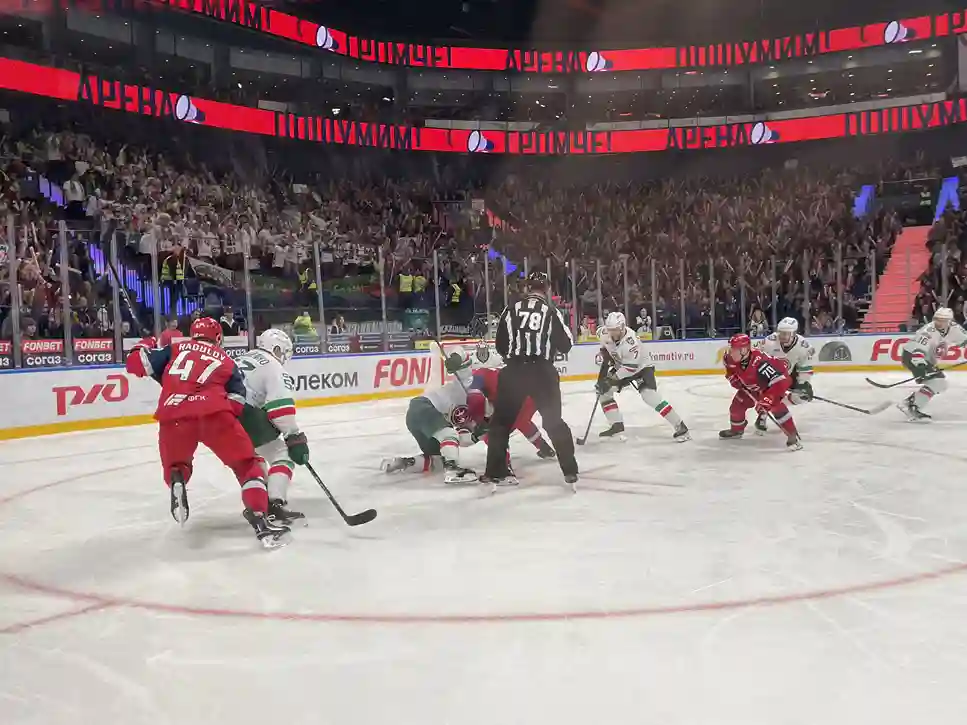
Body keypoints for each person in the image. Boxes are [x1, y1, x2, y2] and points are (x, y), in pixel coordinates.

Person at [124, 317, 290, 548]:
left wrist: (147, 342)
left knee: (177, 464)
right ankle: (260, 519)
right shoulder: (226, 359)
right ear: (218, 338)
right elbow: (237, 400)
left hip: (174, 415)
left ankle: (177, 478)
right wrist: (221, 417)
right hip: (215, 414)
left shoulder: (174, 349)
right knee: (247, 466)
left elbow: (135, 364)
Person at [482, 271, 578, 489]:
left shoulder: (511, 309)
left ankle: (495, 472)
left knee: (500, 423)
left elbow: (500, 344)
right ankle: (570, 470)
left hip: (514, 371)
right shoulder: (551, 311)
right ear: (547, 289)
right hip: (542, 372)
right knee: (553, 422)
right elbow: (566, 344)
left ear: (527, 288)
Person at [236, 328, 309, 526]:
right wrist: (294, 436)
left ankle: (259, 503)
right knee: (282, 454)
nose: (284, 358)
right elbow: (281, 409)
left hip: (220, 415)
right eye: (284, 352)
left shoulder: (241, 358)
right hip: (244, 412)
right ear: (276, 349)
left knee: (254, 456)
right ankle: (275, 503)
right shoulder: (273, 366)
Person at [381, 348, 479, 484]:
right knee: (448, 433)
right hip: (424, 406)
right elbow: (462, 360)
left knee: (437, 461)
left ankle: (403, 463)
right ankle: (452, 470)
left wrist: (478, 434)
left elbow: (462, 439)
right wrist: (456, 358)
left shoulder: (478, 415)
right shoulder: (470, 386)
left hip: (416, 417)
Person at [594, 311, 690, 441]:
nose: (612, 333)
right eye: (610, 329)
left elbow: (630, 368)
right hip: (623, 366)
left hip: (641, 368)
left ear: (622, 327)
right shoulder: (603, 333)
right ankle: (616, 425)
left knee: (649, 396)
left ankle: (680, 426)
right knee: (604, 393)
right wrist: (603, 377)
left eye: (615, 330)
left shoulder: (631, 342)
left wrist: (610, 380)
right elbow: (605, 351)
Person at [719, 333, 802, 451]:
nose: (731, 352)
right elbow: (731, 370)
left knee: (776, 407)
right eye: (731, 349)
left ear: (744, 350)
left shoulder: (761, 362)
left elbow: (780, 381)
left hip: (770, 387)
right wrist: (732, 378)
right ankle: (736, 430)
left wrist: (768, 399)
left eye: (735, 350)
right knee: (736, 407)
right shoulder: (729, 358)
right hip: (751, 388)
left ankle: (792, 436)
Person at [897, 306, 967, 420]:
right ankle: (910, 405)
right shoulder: (928, 331)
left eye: (942, 320)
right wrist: (920, 366)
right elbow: (918, 351)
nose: (938, 322)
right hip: (912, 357)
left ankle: (910, 403)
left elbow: (965, 340)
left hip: (926, 359)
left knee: (940, 383)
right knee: (938, 382)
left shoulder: (955, 328)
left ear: (949, 321)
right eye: (937, 319)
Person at [756, 317, 816, 433]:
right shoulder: (769, 342)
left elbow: (805, 367)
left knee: (801, 397)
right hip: (769, 376)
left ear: (794, 334)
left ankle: (772, 405)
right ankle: (763, 412)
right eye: (781, 332)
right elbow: (756, 358)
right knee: (769, 395)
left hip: (789, 375)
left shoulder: (803, 346)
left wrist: (803, 383)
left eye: (786, 333)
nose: (782, 336)